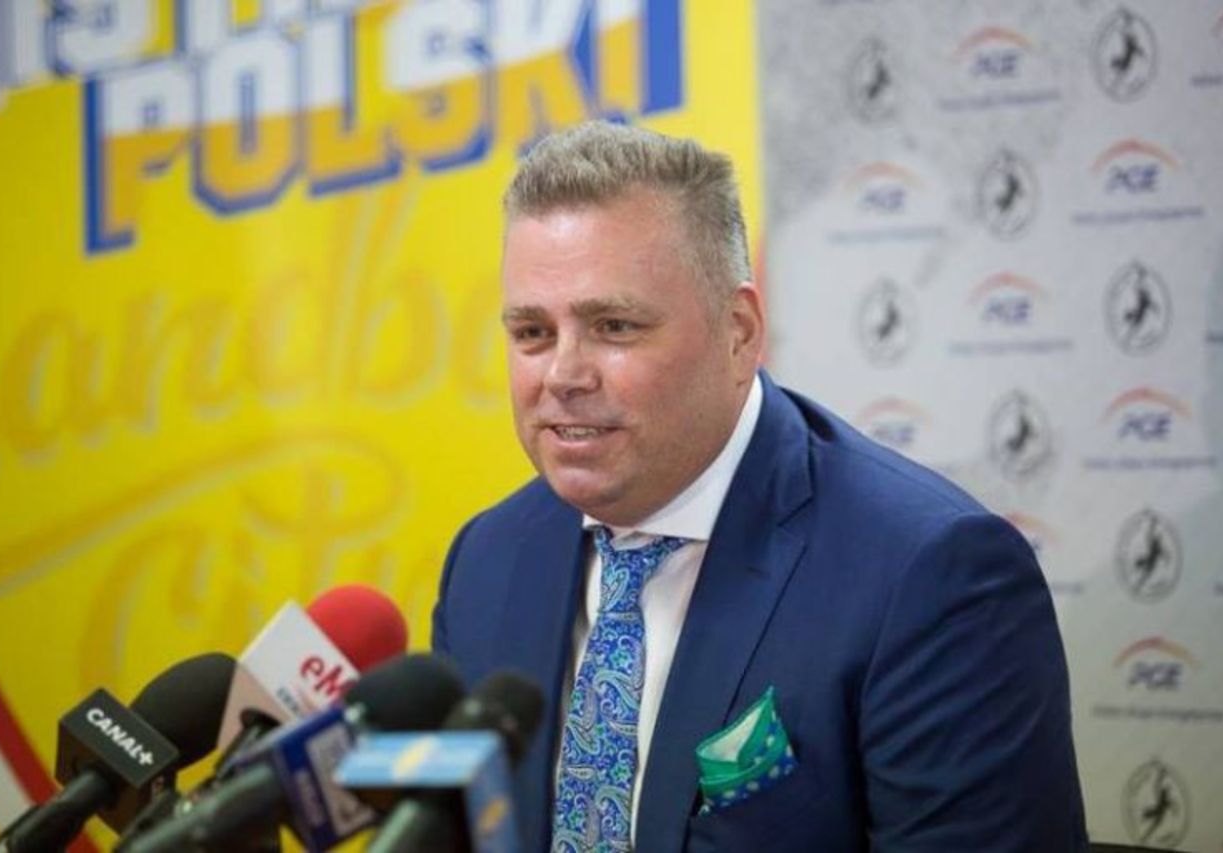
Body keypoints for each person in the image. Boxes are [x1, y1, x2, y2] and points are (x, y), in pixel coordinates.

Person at [431, 121, 1087, 853]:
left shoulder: (930, 576)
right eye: (532, 333)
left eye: (613, 326)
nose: (562, 375)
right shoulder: (485, 560)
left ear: (739, 332)